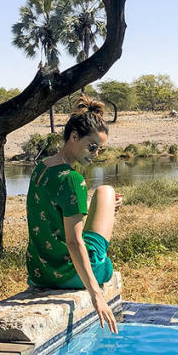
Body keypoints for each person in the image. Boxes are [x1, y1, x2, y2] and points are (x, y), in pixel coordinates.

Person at [25, 94, 121, 333]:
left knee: (101, 199)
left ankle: (108, 212)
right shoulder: (73, 180)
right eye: (92, 147)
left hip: (40, 272)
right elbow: (73, 241)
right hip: (70, 275)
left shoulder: (41, 168)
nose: (95, 153)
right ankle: (109, 212)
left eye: (99, 149)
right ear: (74, 137)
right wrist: (96, 295)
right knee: (106, 191)